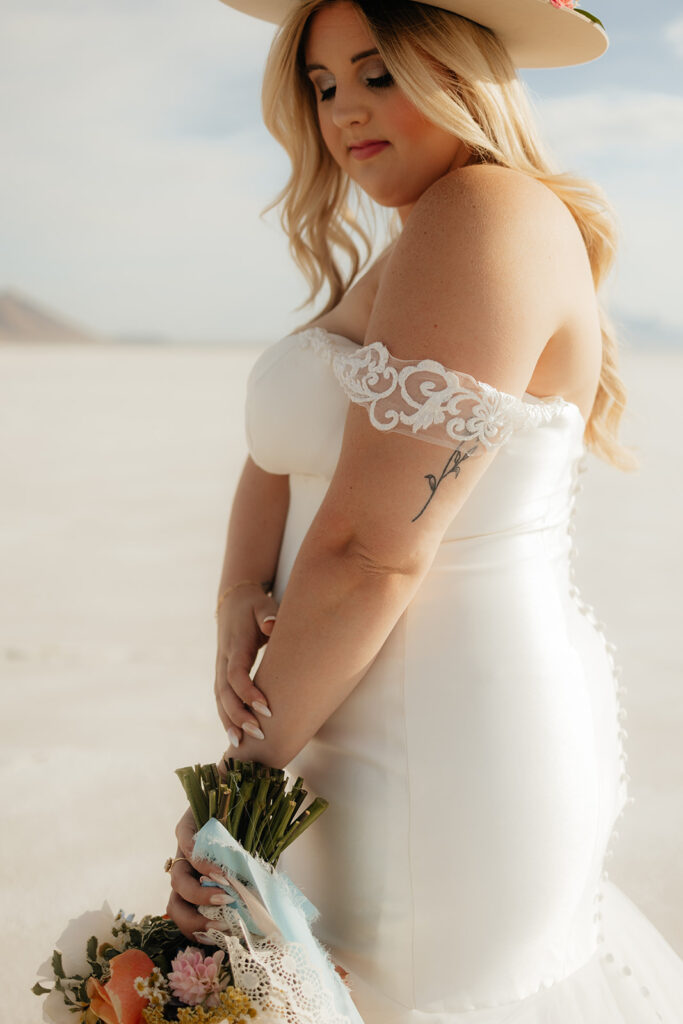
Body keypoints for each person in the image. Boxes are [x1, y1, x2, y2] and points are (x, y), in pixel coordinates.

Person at [167, 0, 683, 1019]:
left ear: (459, 73)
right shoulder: (419, 240)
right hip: (339, 693)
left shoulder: (480, 217)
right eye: (321, 86)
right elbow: (285, 450)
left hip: (441, 734)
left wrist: (239, 792)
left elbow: (373, 551)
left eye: (377, 72)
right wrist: (241, 587)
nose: (344, 112)